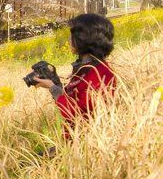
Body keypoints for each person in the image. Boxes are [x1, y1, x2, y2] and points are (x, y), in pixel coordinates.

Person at [32, 13, 116, 142]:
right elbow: (75, 98)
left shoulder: (97, 73)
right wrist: (56, 84)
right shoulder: (87, 67)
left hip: (84, 144)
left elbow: (79, 114)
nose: (69, 40)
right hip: (74, 140)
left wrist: (53, 88)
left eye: (72, 36)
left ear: (83, 39)